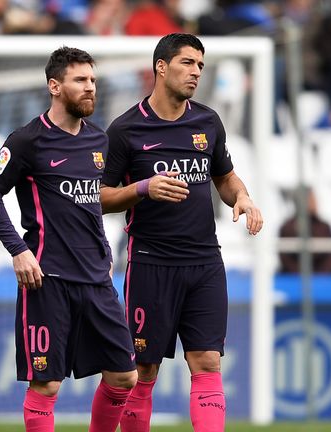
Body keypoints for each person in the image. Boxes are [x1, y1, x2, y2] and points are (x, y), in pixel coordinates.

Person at [100, 33, 263, 432]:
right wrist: (143, 188)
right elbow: (99, 197)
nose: (196, 72)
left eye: (200, 66)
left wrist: (241, 196)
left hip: (205, 262)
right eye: (188, 63)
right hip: (151, 264)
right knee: (143, 369)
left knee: (207, 362)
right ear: (161, 66)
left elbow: (224, 177)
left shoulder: (207, 121)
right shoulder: (126, 130)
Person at [0, 47, 136, 432]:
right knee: (46, 383)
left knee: (125, 376)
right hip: (47, 280)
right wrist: (18, 250)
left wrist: (103, 247)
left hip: (97, 279)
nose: (90, 89)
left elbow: (93, 203)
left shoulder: (100, 142)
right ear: (55, 85)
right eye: (80, 80)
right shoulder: (26, 141)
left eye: (93, 81)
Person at [278, 190, 331, 274]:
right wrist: (300, 275)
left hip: (323, 278)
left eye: (314, 199)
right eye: (311, 200)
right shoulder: (288, 227)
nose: (314, 202)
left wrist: (321, 277)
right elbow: (286, 258)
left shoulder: (324, 227)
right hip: (295, 278)